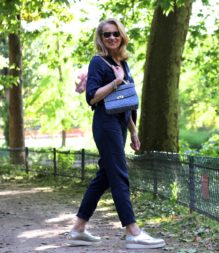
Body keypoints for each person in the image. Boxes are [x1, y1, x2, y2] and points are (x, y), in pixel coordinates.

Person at [68, 18, 165, 250]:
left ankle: (78, 229)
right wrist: (116, 82)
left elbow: (126, 102)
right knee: (120, 175)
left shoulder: (121, 62)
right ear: (100, 38)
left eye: (115, 34)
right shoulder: (98, 62)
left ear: (121, 36)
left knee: (105, 176)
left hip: (120, 125)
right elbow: (92, 96)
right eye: (106, 35)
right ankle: (133, 232)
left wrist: (133, 132)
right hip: (105, 124)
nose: (111, 38)